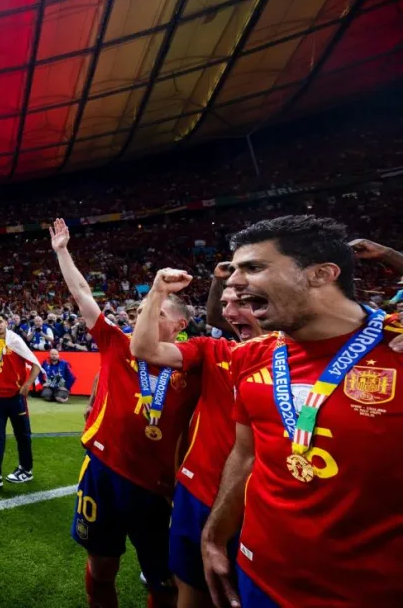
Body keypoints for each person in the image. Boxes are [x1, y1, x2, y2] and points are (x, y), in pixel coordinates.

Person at [202, 216, 403, 608]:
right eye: (235, 269)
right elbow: (245, 455)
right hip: (259, 575)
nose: (233, 283)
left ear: (322, 274)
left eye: (254, 268)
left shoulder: (396, 348)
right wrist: (213, 536)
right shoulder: (251, 356)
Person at [49, 218, 199, 608]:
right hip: (103, 474)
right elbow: (82, 294)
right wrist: (62, 251)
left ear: (180, 326)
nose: (144, 316)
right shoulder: (117, 344)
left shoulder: (193, 363)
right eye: (143, 308)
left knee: (162, 580)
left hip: (158, 490)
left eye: (158, 312)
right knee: (101, 566)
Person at [130, 267, 263, 608]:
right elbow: (144, 348)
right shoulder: (213, 350)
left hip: (259, 506)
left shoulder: (301, 361)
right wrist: (157, 292)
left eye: (243, 302)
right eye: (227, 302)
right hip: (197, 496)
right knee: (190, 587)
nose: (230, 311)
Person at [0, 313, 41, 488]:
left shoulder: (16, 341)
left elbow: (36, 364)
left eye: (0, 322)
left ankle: (26, 469)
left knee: (22, 435)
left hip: (16, 397)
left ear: (7, 323)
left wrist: (28, 384)